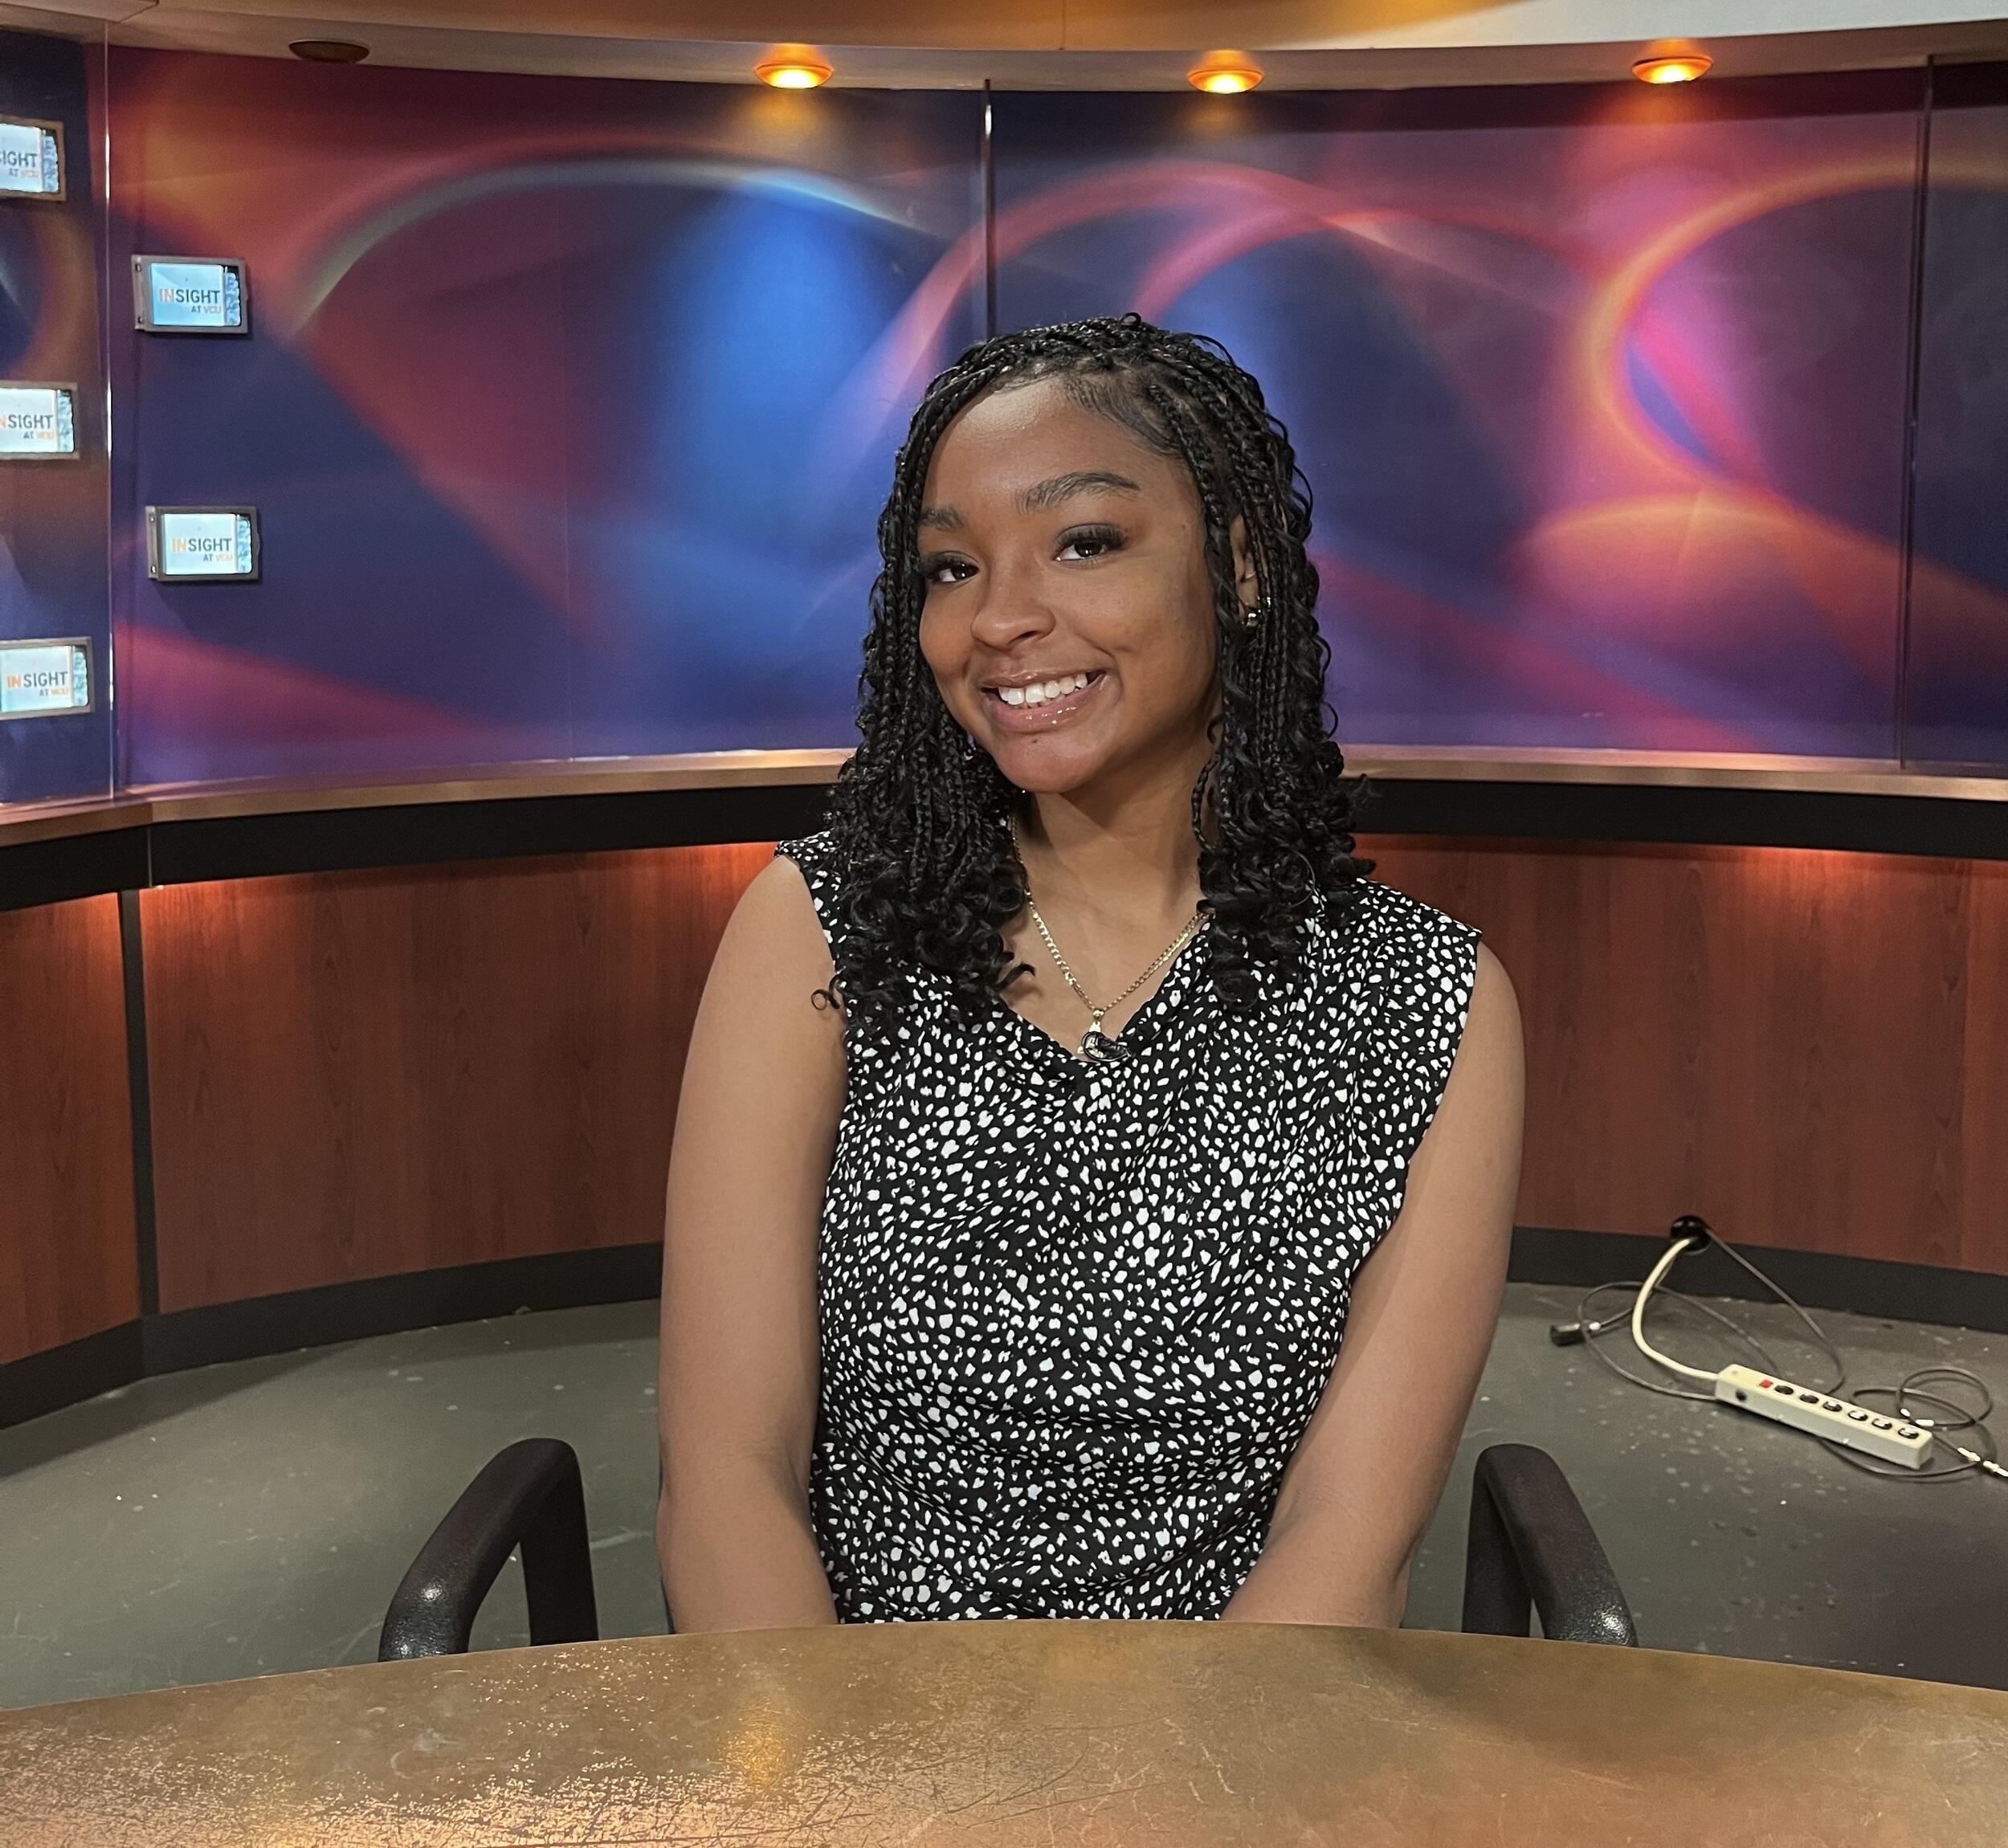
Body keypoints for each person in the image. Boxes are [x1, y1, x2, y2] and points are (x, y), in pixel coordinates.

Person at [655, 313, 1524, 1630]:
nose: (1000, 618)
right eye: (953, 567)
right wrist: (833, 1759)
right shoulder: (818, 930)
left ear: (1237, 566)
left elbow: (1350, 1540)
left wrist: (1174, 1763)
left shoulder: (1429, 1003)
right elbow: (727, 1478)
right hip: (855, 1716)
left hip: (1235, 1723)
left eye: (1085, 541)